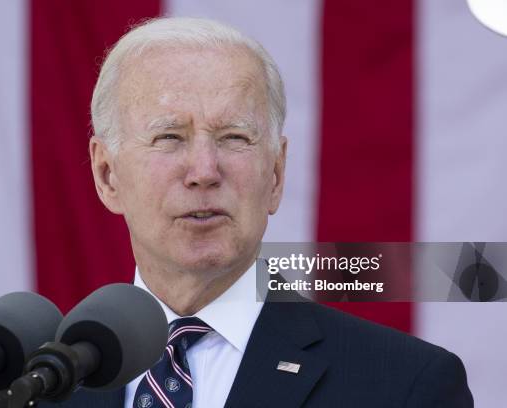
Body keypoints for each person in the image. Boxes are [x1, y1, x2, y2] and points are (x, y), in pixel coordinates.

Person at [54, 17, 473, 407]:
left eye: (234, 137)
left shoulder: (406, 386)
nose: (204, 171)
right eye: (169, 137)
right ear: (107, 175)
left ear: (275, 175)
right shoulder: (34, 386)